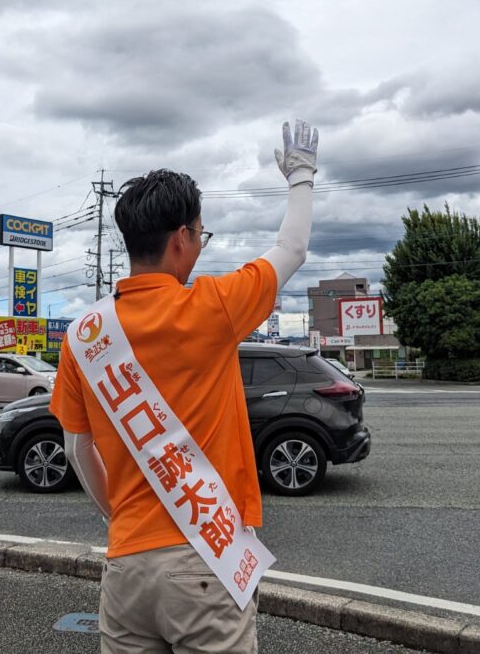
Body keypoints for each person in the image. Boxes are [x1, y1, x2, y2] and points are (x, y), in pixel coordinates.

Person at [49, 119, 318, 653]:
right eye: (201, 233)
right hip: (203, 561)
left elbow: (77, 450)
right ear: (182, 239)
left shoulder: (84, 336)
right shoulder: (210, 307)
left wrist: (121, 518)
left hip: (125, 567)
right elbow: (292, 249)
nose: (200, 244)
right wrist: (301, 175)